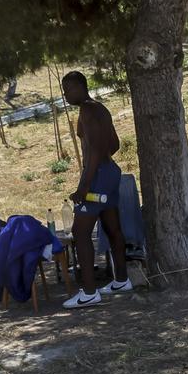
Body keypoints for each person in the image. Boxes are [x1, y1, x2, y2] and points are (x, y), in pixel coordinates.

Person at [60, 71, 130, 309]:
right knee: (112, 229)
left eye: (68, 89)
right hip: (110, 173)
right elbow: (114, 145)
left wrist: (83, 187)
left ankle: (89, 292)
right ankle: (122, 280)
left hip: (97, 176)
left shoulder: (88, 111)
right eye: (63, 90)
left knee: (80, 233)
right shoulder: (99, 108)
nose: (65, 94)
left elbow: (96, 152)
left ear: (81, 86)